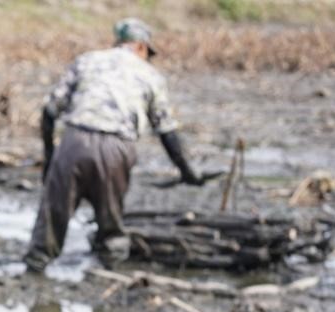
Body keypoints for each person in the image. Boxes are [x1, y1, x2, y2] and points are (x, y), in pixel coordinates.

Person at [24, 18, 206, 275]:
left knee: (54, 215)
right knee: (110, 218)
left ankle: (36, 266)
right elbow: (166, 130)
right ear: (142, 47)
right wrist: (187, 170)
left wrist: (50, 155)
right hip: (116, 149)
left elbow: (49, 110)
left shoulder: (87, 60)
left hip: (74, 142)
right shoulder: (150, 75)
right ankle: (110, 273)